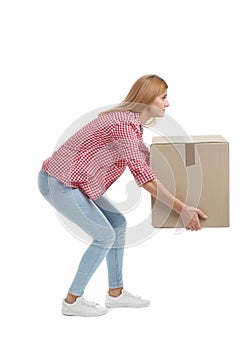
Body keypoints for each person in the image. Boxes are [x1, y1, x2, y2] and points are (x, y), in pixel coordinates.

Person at [38, 74, 207, 317]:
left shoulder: (131, 124)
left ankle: (115, 293)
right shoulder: (123, 126)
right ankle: (72, 300)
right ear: (148, 99)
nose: (167, 104)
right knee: (104, 235)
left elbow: (144, 161)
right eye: (164, 97)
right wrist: (183, 209)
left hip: (76, 181)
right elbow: (145, 179)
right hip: (60, 182)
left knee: (118, 224)